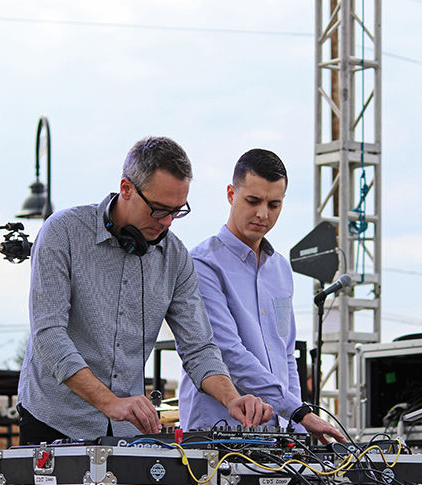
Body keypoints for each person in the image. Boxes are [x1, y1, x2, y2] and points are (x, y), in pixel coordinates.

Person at [17, 136, 272, 445]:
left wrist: (232, 398)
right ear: (126, 188)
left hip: (127, 431)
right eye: (158, 209)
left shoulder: (175, 257)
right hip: (54, 419)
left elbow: (199, 348)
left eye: (177, 211)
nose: (166, 223)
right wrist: (111, 402)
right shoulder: (63, 233)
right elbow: (49, 334)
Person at [178, 148, 346, 444]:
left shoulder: (281, 268)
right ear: (231, 194)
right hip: (219, 433)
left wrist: (297, 425)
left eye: (274, 204)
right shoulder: (202, 264)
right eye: (253, 201)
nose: (262, 214)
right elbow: (228, 353)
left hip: (277, 433)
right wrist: (299, 412)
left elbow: (286, 356)